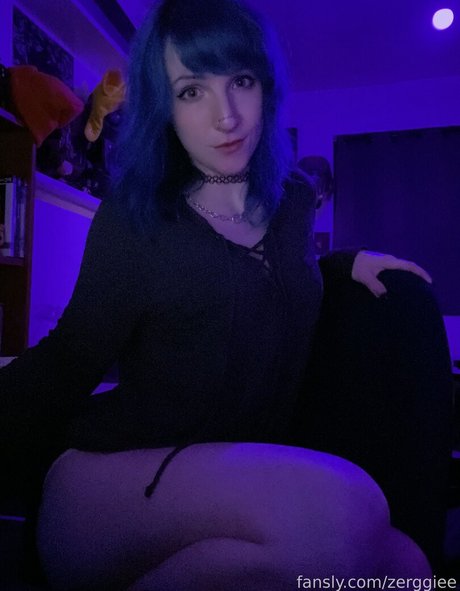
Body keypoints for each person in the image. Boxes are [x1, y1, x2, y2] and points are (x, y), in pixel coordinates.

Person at [0, 0, 435, 589]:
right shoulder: (138, 219)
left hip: (238, 483)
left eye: (241, 82)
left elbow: (278, 274)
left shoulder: (293, 200)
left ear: (266, 87)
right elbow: (69, 358)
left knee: (408, 566)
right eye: (191, 91)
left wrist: (345, 264)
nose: (226, 116)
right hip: (113, 478)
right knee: (345, 513)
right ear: (165, 107)